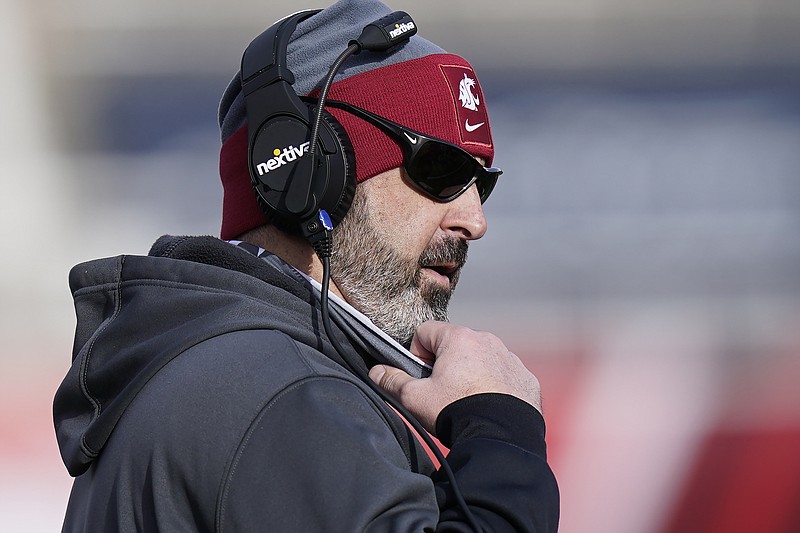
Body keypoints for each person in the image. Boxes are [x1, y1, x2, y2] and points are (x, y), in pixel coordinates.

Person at [53, 0, 559, 531]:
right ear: (309, 173)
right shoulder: (275, 394)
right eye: (441, 170)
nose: (474, 220)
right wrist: (504, 434)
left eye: (483, 184)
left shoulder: (228, 365)